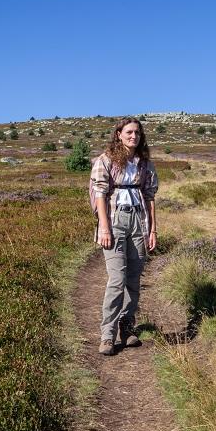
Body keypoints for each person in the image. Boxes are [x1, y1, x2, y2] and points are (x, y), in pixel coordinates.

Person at [90, 117, 158, 355]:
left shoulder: (144, 163)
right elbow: (100, 195)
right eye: (129, 132)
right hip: (115, 221)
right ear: (118, 134)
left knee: (134, 279)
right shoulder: (105, 160)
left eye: (137, 133)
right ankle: (107, 334)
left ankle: (127, 327)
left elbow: (149, 198)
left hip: (138, 222)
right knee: (117, 280)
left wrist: (152, 230)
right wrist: (105, 228)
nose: (133, 136)